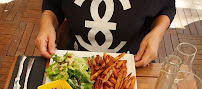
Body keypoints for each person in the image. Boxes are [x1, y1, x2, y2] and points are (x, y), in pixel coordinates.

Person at [35, 0, 176, 67]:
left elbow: (167, 7)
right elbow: (53, 4)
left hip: (134, 61)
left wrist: (157, 33)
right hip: (73, 60)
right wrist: (46, 24)